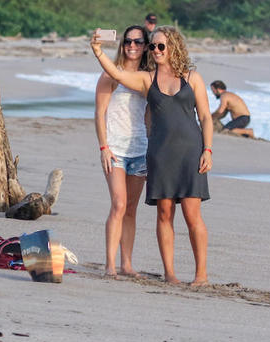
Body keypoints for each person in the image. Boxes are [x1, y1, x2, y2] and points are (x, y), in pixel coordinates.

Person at [91, 26, 212, 286]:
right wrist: (98, 52)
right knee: (163, 214)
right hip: (158, 154)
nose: (156, 50)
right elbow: (116, 74)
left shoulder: (193, 78)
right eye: (154, 46)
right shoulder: (148, 79)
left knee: (192, 215)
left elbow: (205, 117)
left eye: (160, 46)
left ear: (174, 48)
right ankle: (169, 274)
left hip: (189, 153)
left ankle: (201, 275)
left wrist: (208, 150)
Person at [94, 25, 152, 277]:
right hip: (115, 150)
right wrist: (104, 147)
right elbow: (99, 114)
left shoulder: (148, 77)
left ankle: (127, 264)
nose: (132, 46)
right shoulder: (110, 75)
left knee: (131, 209)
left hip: (140, 149)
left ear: (145, 46)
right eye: (128, 41)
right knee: (118, 204)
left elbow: (149, 116)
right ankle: (110, 264)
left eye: (138, 42)